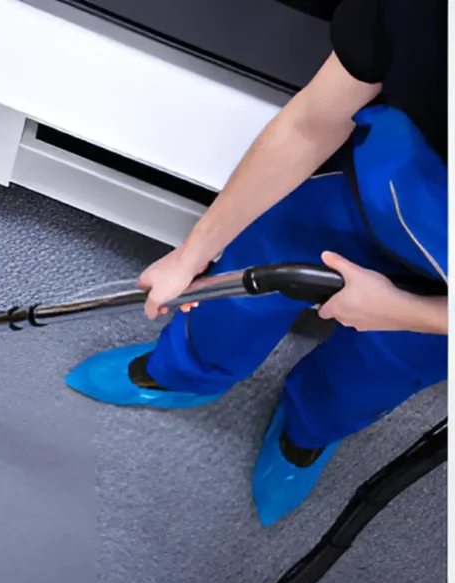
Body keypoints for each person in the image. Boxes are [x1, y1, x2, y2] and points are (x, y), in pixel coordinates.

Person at [66, 0, 448, 526]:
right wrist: (192, 254)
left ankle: (306, 432)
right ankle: (186, 373)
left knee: (379, 370)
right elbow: (312, 124)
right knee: (239, 289)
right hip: (358, 195)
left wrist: (407, 311)